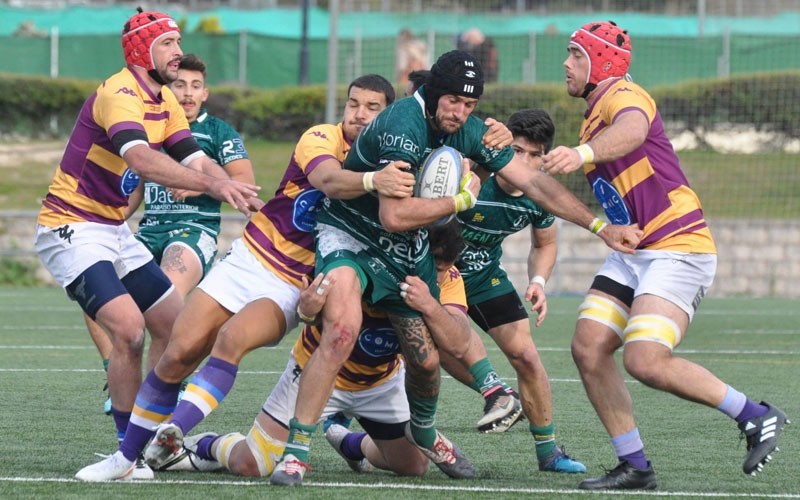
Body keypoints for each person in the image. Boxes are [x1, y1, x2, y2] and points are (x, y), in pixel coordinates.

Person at [271, 49, 642, 485]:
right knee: (341, 329)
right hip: (352, 234)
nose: (460, 113)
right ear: (432, 93)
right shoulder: (401, 126)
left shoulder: (469, 129)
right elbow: (393, 215)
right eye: (453, 102)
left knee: (427, 363)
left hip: (404, 247)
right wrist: (461, 201)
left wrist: (600, 225)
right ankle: (295, 454)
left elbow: (535, 182)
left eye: (470, 105)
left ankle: (425, 432)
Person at [74, 74, 414, 482]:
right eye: (353, 104)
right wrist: (374, 181)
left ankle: (167, 435)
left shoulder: (393, 164)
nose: (359, 114)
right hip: (250, 257)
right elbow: (328, 181)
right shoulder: (322, 138)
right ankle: (131, 454)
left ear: (387, 115)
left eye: (371, 107)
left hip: (293, 283)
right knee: (179, 351)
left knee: (231, 340)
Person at [540, 21, 789, 490]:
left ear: (602, 62)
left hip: (677, 247)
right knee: (588, 348)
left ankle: (754, 415)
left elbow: (633, 129)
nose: (566, 63)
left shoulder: (622, 95)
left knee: (645, 360)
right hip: (634, 249)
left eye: (575, 54)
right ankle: (634, 464)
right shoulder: (593, 114)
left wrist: (582, 152)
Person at [35, 6, 259, 481]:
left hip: (113, 231)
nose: (178, 53)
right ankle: (124, 455)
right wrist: (214, 187)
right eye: (168, 44)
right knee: (130, 330)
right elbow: (141, 159)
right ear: (142, 50)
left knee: (181, 330)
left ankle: (151, 435)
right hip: (70, 225)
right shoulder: (120, 93)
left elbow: (195, 159)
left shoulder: (165, 99)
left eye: (178, 43)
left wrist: (232, 187)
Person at [155, 223, 470, 480]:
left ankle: (351, 443)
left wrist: (428, 303)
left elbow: (459, 341)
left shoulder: (449, 279)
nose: (432, 276)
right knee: (252, 465)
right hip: (315, 374)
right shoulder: (360, 261)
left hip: (380, 382)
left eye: (441, 269)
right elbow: (311, 312)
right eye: (430, 265)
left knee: (413, 467)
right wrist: (308, 308)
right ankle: (207, 444)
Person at [85, 52, 255, 417]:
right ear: (167, 88)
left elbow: (245, 183)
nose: (188, 93)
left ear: (205, 93)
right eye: (180, 85)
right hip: (147, 231)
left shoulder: (219, 133)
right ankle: (116, 374)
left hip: (192, 231)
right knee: (93, 291)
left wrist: (200, 186)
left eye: (196, 86)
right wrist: (102, 218)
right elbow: (132, 193)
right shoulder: (147, 128)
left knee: (163, 298)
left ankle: (157, 395)